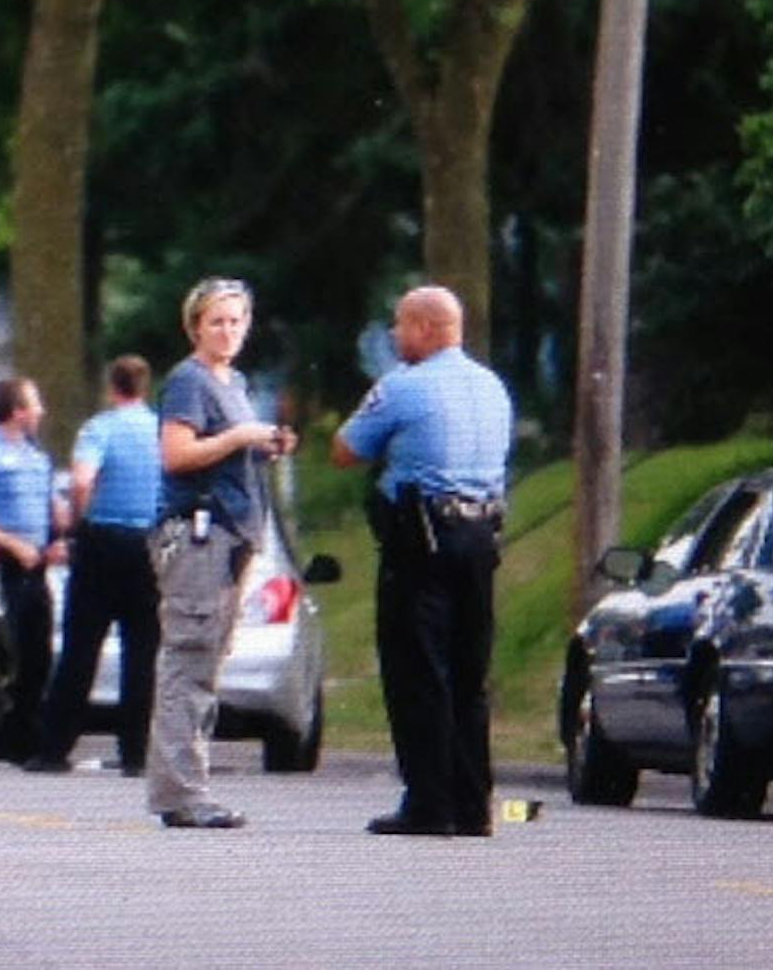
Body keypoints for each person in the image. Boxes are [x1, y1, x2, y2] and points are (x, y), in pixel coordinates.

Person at [333, 286, 514, 838]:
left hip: (423, 540)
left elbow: (345, 450)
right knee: (469, 672)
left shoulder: (403, 387)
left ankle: (429, 803)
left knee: (419, 670)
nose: (394, 334)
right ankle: (473, 803)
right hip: (482, 536)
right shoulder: (493, 387)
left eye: (401, 324)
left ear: (427, 329)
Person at [146, 278, 294, 829]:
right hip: (198, 536)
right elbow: (177, 454)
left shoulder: (235, 382)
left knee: (207, 662)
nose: (228, 331)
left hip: (234, 534)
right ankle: (181, 793)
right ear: (195, 328)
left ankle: (191, 785)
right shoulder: (189, 381)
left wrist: (265, 446)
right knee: (188, 660)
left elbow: (229, 453)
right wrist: (239, 437)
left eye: (236, 321)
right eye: (217, 322)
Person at [27, 355, 163, 775]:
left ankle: (54, 748)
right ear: (144, 387)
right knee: (142, 651)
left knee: (81, 646)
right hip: (150, 544)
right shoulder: (161, 429)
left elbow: (82, 479)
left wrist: (77, 521)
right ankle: (136, 752)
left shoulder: (99, 428)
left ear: (112, 387)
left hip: (102, 541)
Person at [0, 377, 70, 764]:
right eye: (35, 404)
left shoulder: (37, 456)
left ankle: (24, 738)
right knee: (3, 653)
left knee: (38, 654)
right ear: (17, 411)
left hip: (36, 566)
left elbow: (53, 510)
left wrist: (57, 539)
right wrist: (9, 543)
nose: (41, 411)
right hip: (1, 566)